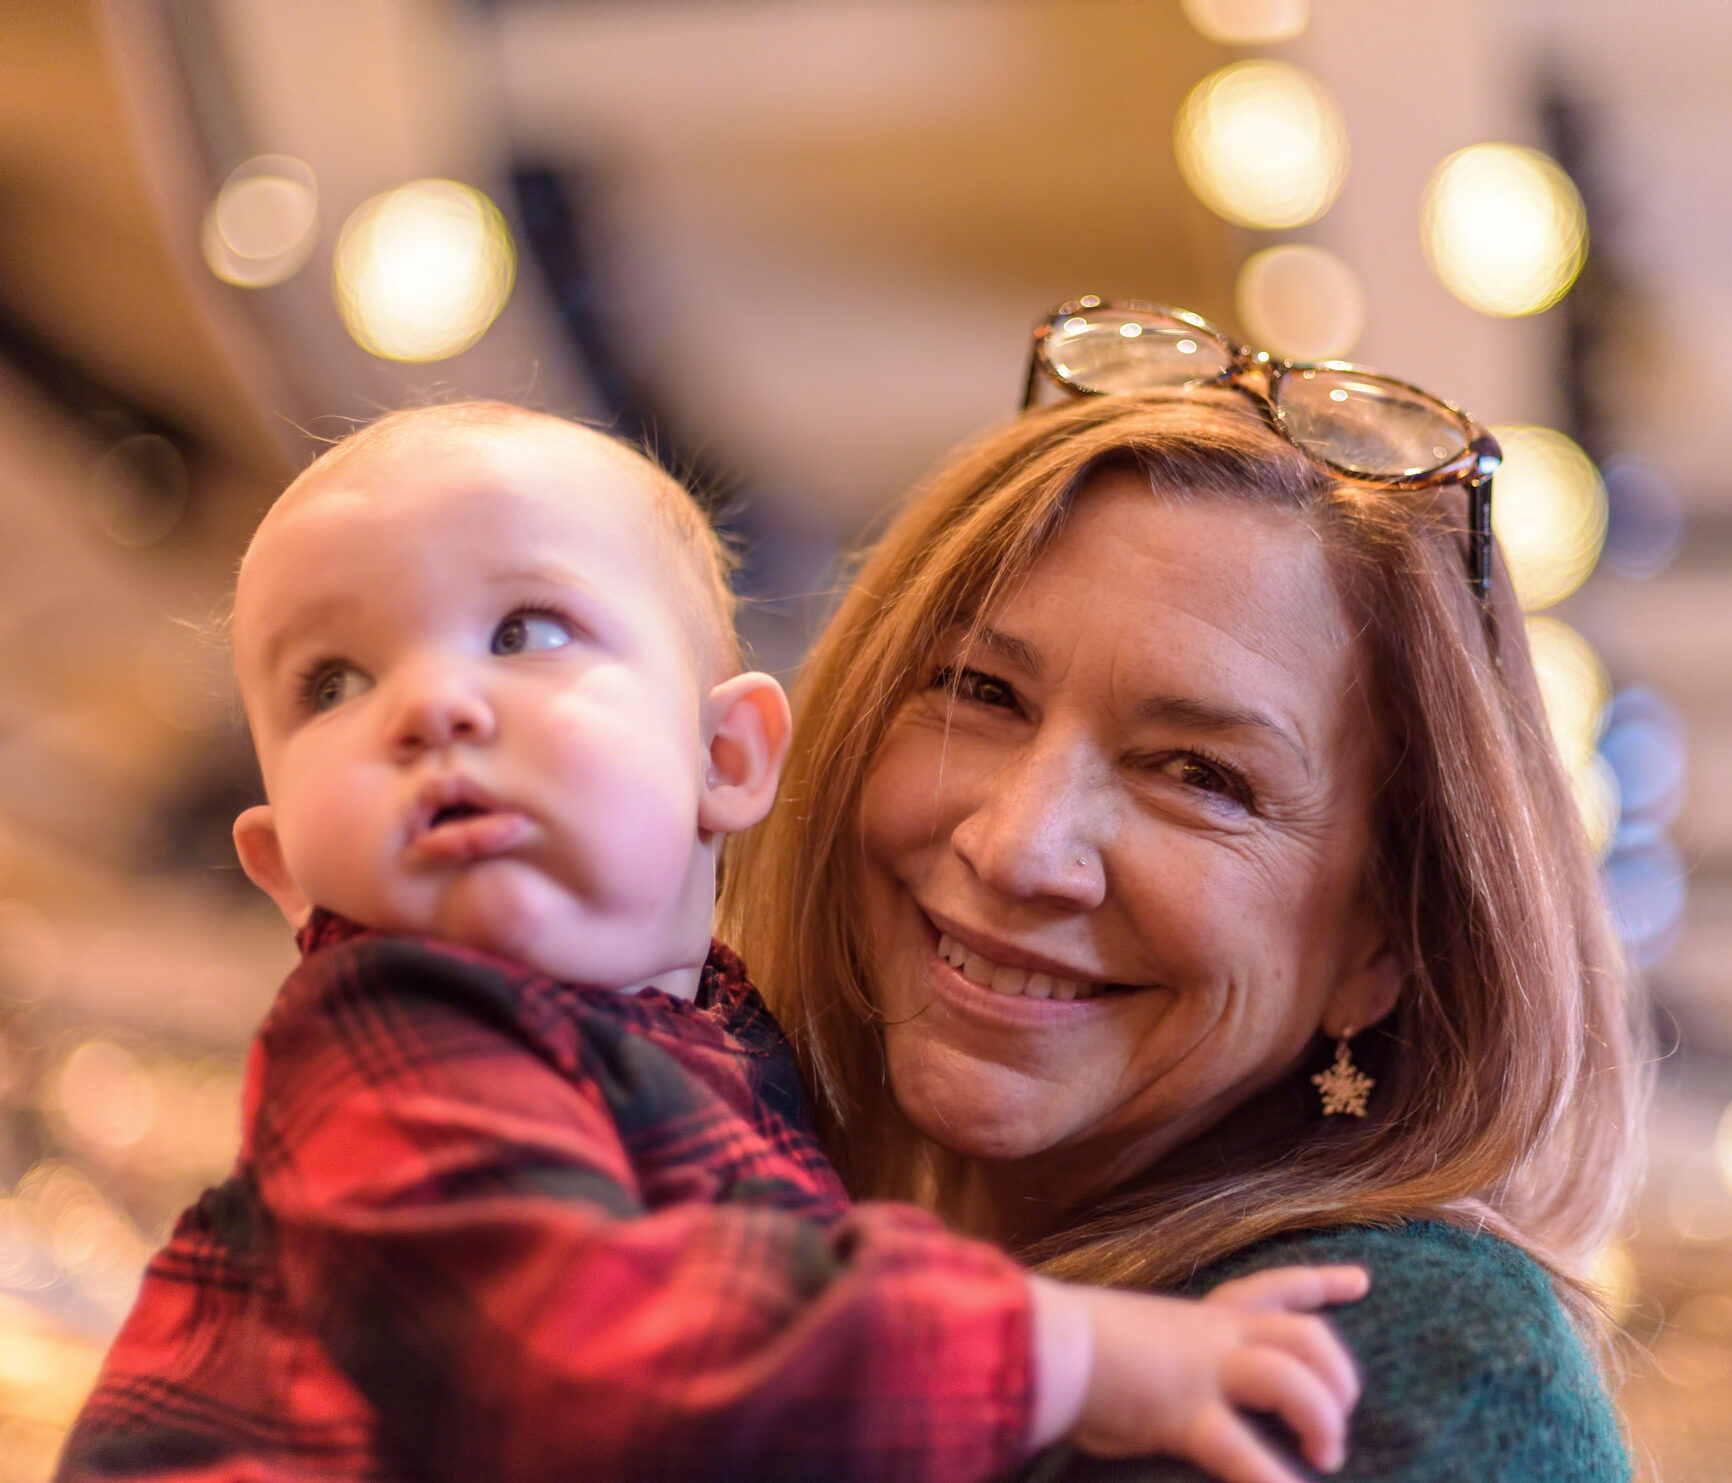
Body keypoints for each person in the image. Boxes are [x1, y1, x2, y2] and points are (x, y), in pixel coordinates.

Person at [59, 400, 1371, 1483]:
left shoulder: (724, 1050)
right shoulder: (395, 1043)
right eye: (332, 683)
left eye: (522, 630)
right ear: (287, 872)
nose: (432, 704)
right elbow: (584, 1360)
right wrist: (1072, 1355)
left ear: (729, 754)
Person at [721, 301, 1645, 1482]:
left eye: (1199, 775)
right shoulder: (745, 1235)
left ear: (1387, 942)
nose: (1016, 847)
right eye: (980, 691)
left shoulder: (1404, 1365)